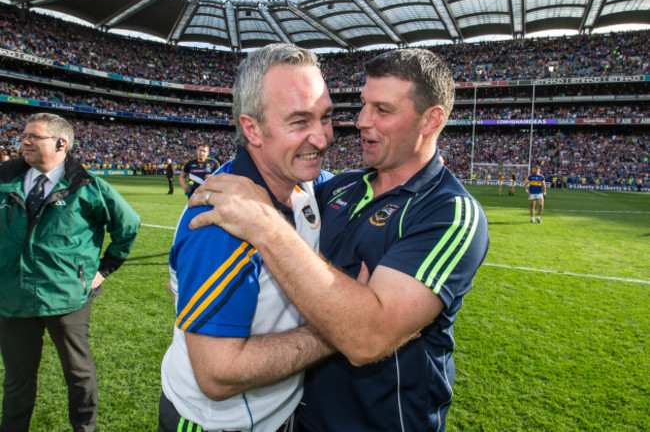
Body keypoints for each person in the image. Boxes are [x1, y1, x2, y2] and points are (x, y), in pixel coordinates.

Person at [190, 49, 490, 432]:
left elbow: (367, 339)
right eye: (363, 105)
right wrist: (194, 268)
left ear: (431, 120)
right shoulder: (336, 187)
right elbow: (276, 178)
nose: (361, 122)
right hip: (299, 418)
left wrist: (265, 225)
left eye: (382, 110)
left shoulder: (449, 214)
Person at [159, 44, 338, 432]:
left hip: (279, 412)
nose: (322, 139)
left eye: (326, 117)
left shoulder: (303, 180)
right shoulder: (221, 225)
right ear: (252, 128)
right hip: (220, 424)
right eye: (299, 121)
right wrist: (339, 329)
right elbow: (219, 374)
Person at [0, 113, 140, 432]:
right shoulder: (4, 178)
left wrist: (106, 268)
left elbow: (128, 225)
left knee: (78, 374)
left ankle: (84, 427)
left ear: (61, 144)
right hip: (12, 298)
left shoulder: (88, 186)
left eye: (34, 137)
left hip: (67, 297)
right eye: (24, 135)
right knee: (17, 380)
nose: (25, 141)